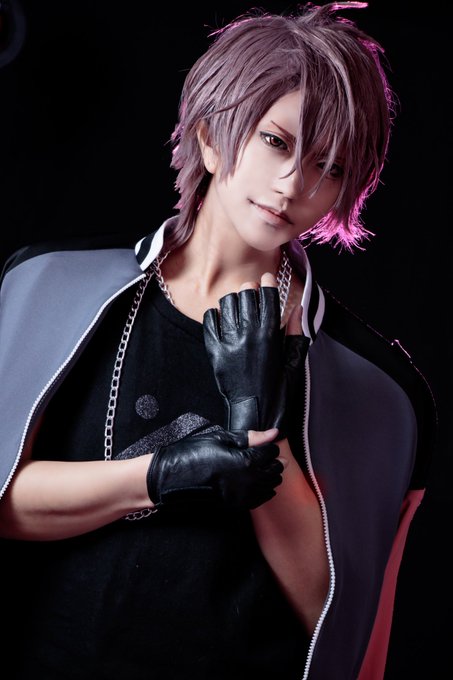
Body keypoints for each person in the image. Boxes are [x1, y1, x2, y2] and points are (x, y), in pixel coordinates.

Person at [0, 2, 437, 679]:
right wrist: (162, 475)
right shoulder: (45, 287)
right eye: (276, 142)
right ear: (209, 136)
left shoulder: (375, 386)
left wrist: (259, 430)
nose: (294, 185)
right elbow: (6, 506)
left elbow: (336, 624)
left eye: (329, 166)